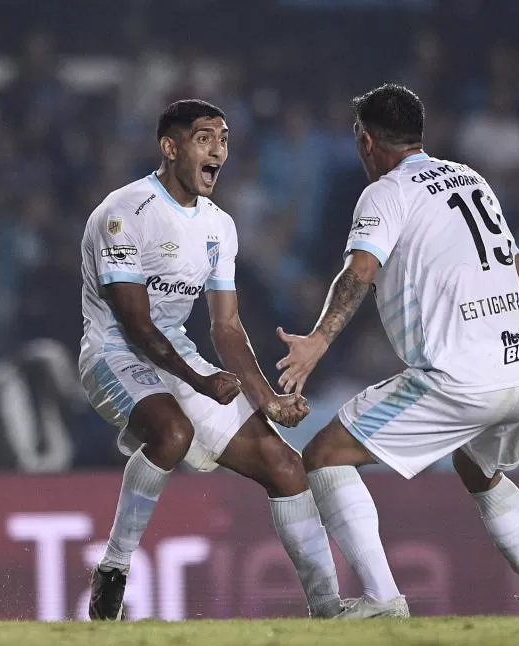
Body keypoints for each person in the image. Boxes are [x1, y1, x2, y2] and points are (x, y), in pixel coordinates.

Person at [276, 84, 519, 619]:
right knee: (480, 470)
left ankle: (382, 600)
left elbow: (359, 271)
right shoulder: (470, 178)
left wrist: (318, 340)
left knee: (324, 455)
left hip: (461, 379)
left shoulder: (386, 192)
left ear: (366, 140)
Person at [79, 100, 342, 620]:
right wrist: (199, 380)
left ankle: (329, 612)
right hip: (113, 353)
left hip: (179, 359)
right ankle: (113, 567)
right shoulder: (122, 214)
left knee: (285, 467)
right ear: (170, 147)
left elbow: (226, 327)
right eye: (204, 138)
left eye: (223, 138)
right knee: (172, 434)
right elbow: (135, 325)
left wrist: (267, 399)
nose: (219, 148)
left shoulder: (220, 226)